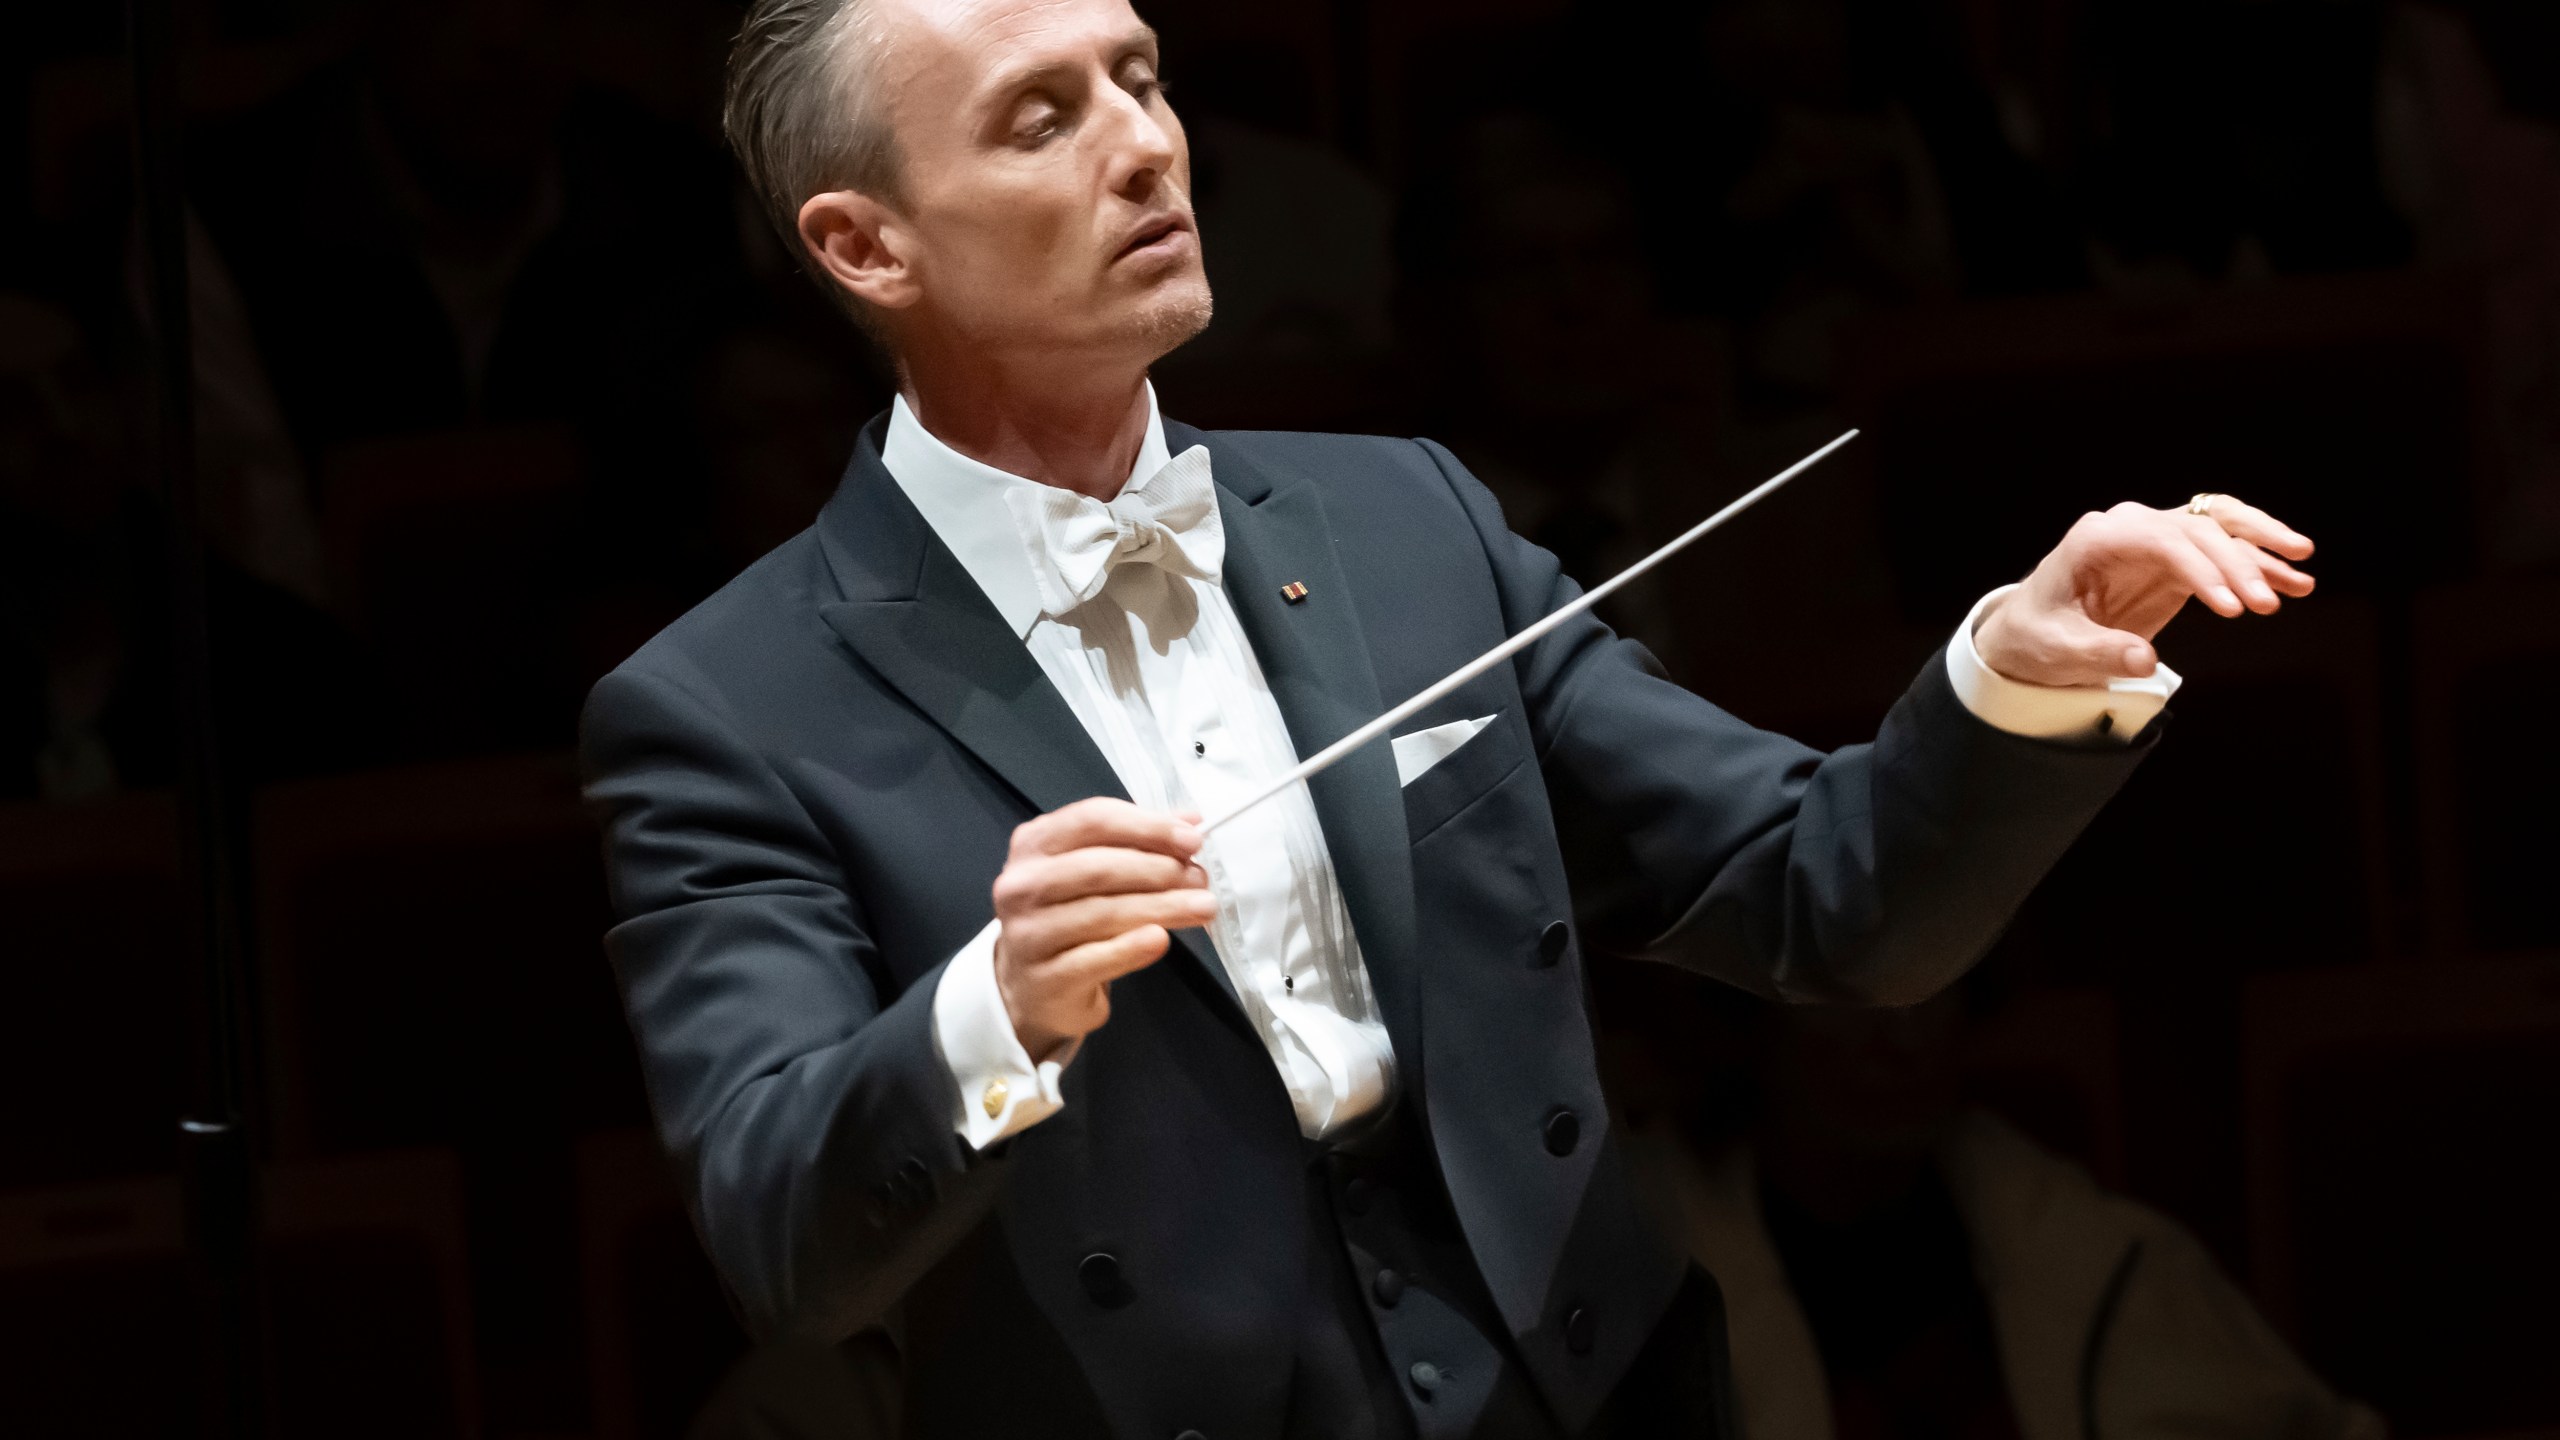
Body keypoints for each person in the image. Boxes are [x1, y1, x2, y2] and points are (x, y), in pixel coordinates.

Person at [579, 1, 2319, 1434]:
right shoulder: (727, 709)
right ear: (864, 244)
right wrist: (991, 1011)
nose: (1146, 144)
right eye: (1043, 118)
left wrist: (2016, 672)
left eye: (1141, 75)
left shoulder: (1409, 522)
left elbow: (1825, 893)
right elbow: (786, 1234)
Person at [1609, 985, 2384, 1440]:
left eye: (1932, 982)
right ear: (1756, 1025)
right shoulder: (1638, 1276)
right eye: (1849, 992)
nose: (1903, 1035)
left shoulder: (2087, 1251)